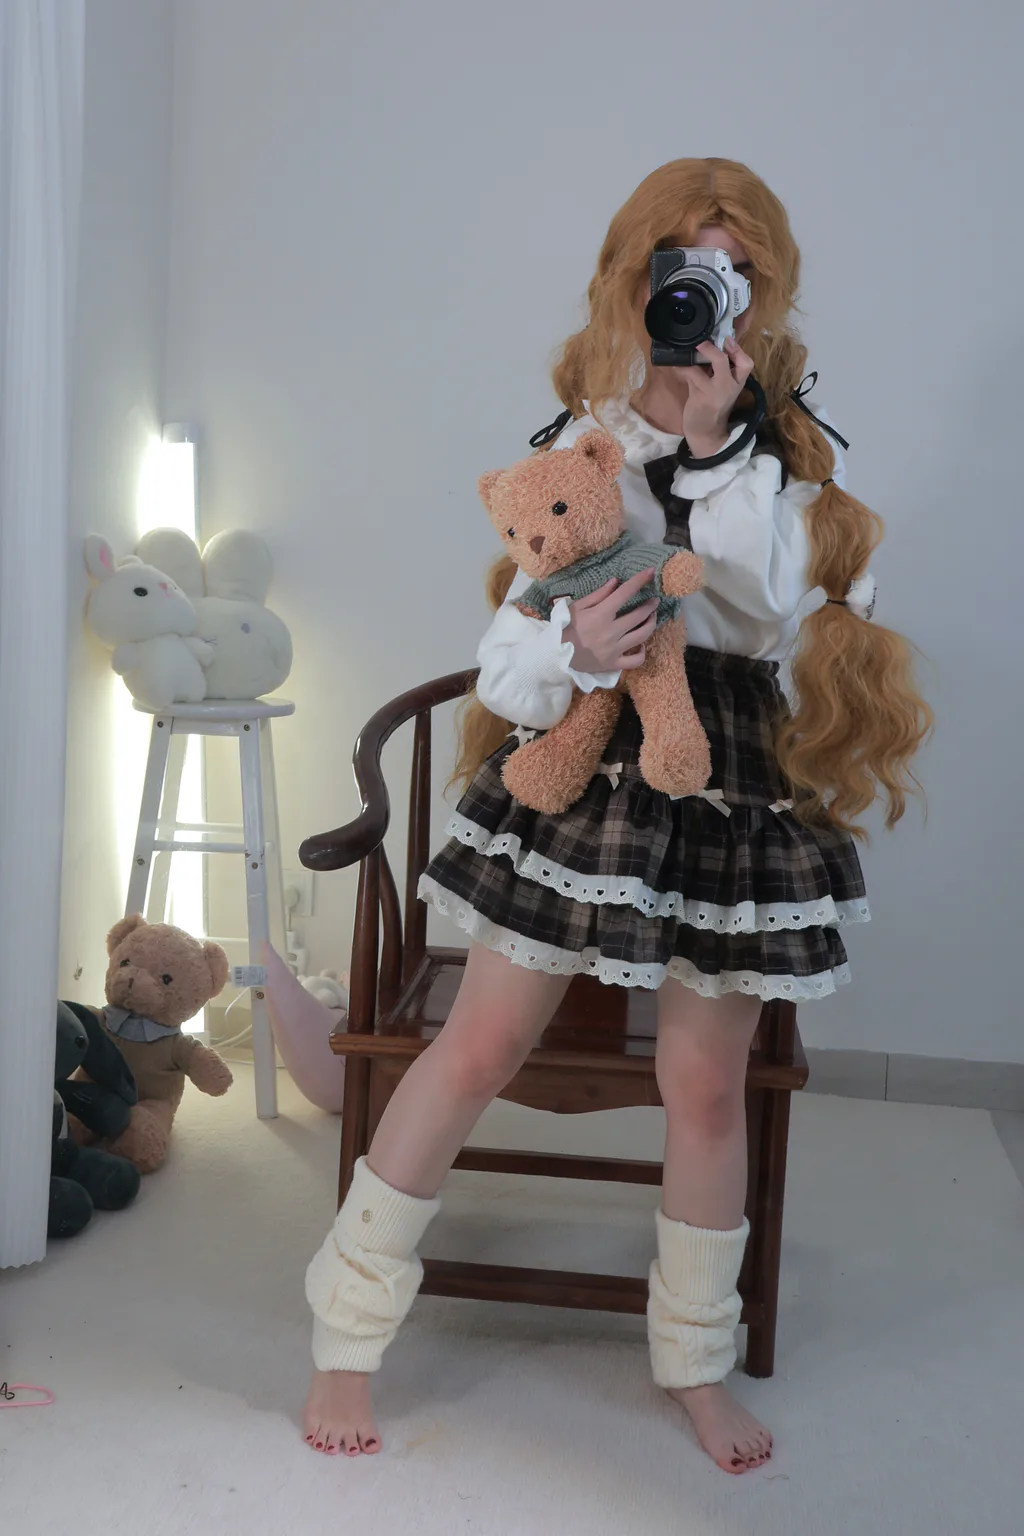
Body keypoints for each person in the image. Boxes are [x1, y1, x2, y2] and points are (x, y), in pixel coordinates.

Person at [296, 157, 931, 1472]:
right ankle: (345, 1336)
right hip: (589, 765)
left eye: (734, 270)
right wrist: (575, 645)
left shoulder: (788, 452)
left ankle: (694, 1362)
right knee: (476, 1048)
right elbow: (508, 666)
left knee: (703, 1084)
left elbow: (772, 605)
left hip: (727, 775)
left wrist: (717, 442)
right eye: (684, 266)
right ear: (635, 279)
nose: (707, 291)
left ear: (762, 290)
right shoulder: (583, 445)